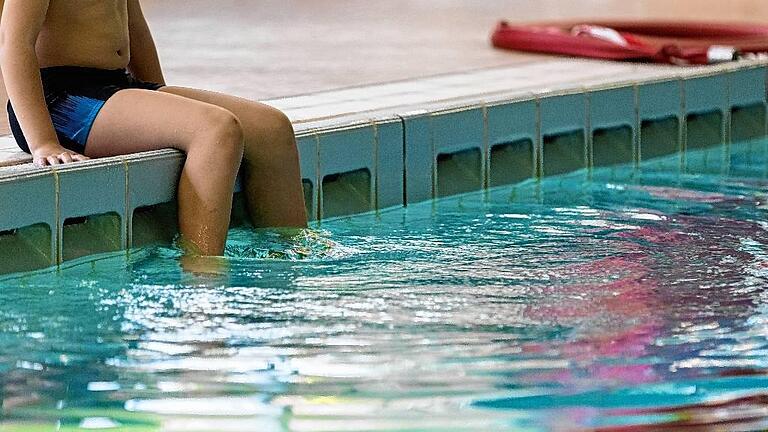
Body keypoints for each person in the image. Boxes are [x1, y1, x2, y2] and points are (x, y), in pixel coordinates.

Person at [0, 0, 308, 257]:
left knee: (271, 129)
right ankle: (202, 275)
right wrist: (43, 141)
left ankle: (290, 254)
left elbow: (134, 28)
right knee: (215, 131)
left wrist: (162, 103)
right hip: (60, 100)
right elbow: (13, 42)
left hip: (115, 85)